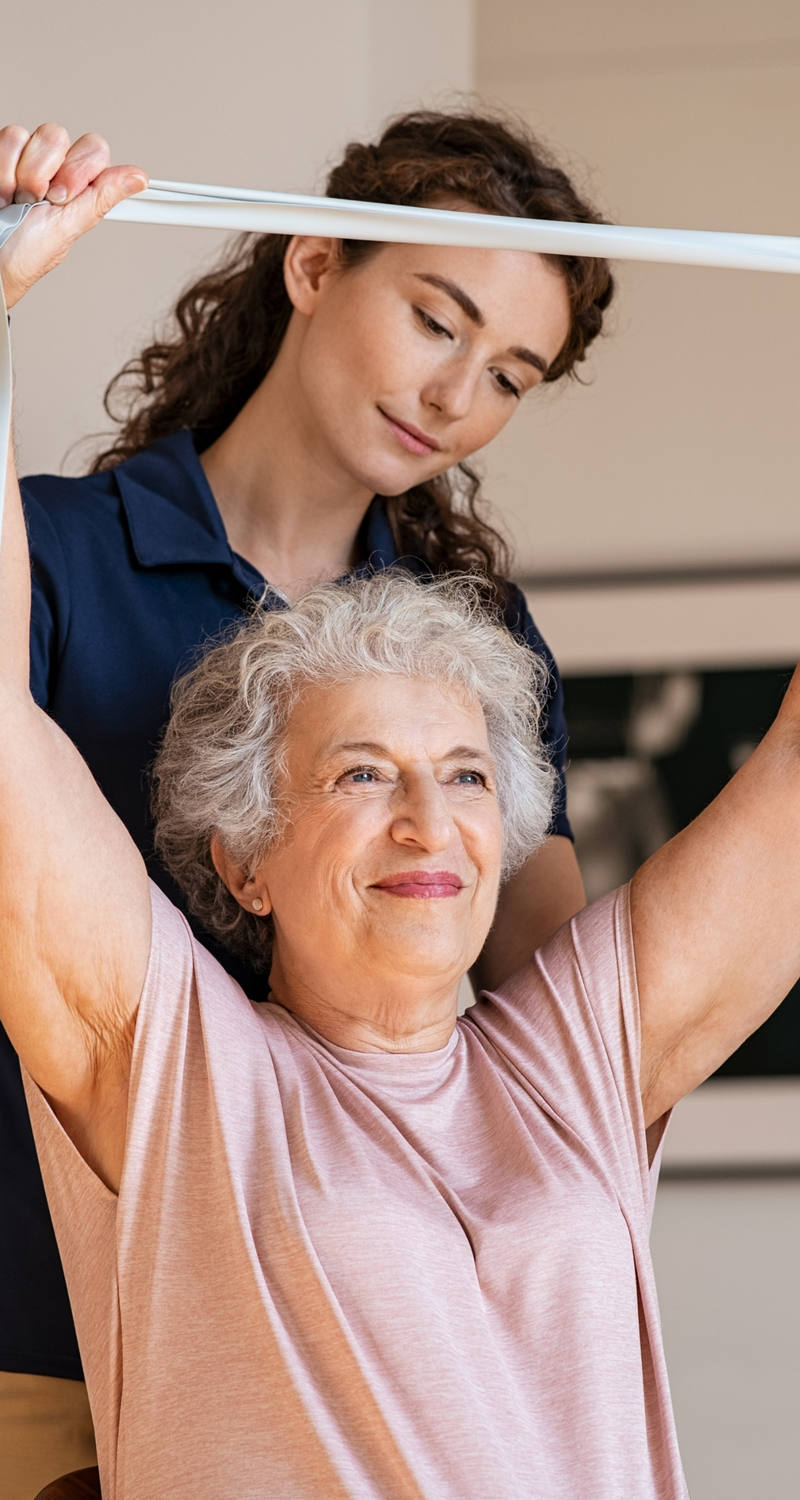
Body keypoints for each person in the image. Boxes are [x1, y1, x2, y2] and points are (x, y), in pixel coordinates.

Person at [4, 256, 800, 1491]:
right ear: (244, 857)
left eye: (468, 777)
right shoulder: (184, 1070)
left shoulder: (572, 1057)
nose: (431, 823)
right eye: (363, 776)